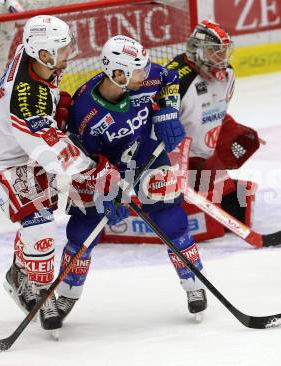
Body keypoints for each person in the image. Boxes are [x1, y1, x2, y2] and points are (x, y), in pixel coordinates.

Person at [0, 15, 127, 332]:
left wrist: (57, 110)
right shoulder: (28, 100)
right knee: (38, 221)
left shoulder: (37, 59)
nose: (70, 53)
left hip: (12, 134)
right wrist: (98, 172)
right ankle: (41, 291)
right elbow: (55, 154)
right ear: (43, 53)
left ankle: (19, 272)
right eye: (63, 48)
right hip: (2, 156)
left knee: (39, 212)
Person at [54, 35, 208, 323]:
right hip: (101, 168)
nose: (144, 74)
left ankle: (194, 284)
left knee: (170, 219)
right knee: (82, 230)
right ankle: (66, 293)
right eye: (137, 70)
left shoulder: (146, 78)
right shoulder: (84, 111)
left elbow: (170, 78)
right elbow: (82, 160)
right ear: (117, 73)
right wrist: (104, 190)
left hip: (148, 154)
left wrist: (167, 112)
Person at [166, 20, 261, 224]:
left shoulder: (228, 75)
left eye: (224, 51)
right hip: (174, 162)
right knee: (182, 213)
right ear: (196, 50)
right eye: (214, 51)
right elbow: (157, 128)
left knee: (232, 203)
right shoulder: (174, 81)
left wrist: (233, 129)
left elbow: (217, 111)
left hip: (205, 156)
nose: (221, 57)